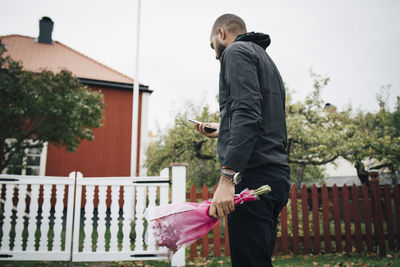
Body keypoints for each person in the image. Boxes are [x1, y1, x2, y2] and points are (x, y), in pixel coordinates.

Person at [195, 14, 291, 267]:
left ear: (221, 33)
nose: (215, 54)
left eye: (212, 44)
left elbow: (248, 113)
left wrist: (228, 178)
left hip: (252, 177)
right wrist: (222, 129)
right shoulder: (265, 59)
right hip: (275, 176)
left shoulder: (235, 52)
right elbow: (263, 117)